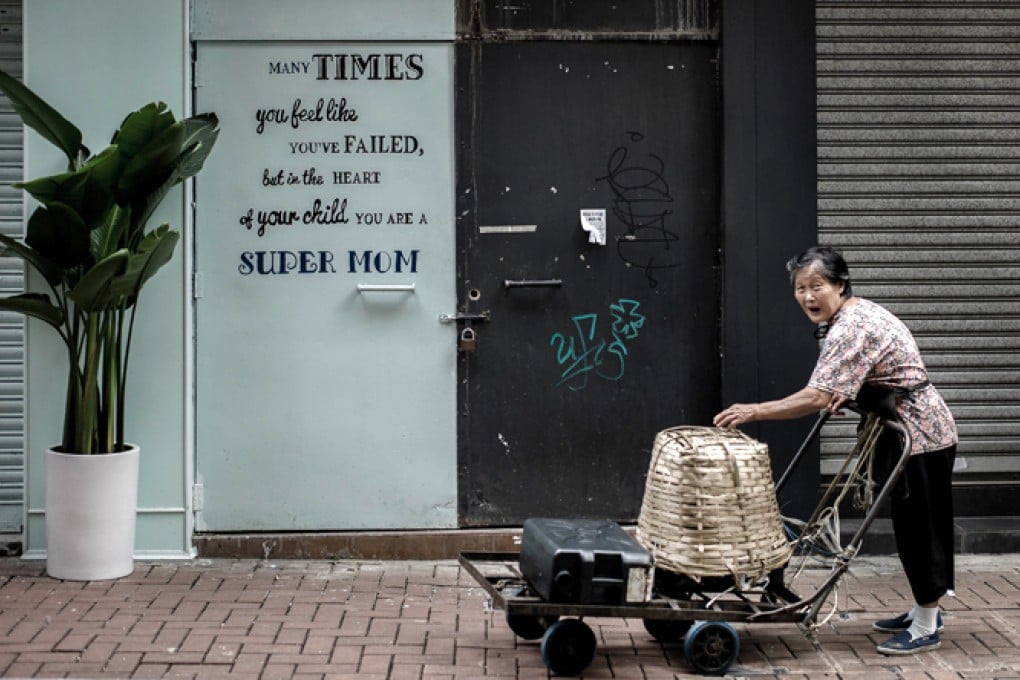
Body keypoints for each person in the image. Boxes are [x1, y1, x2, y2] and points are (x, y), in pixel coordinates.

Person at [713, 245, 958, 656]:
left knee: (921, 530)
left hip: (921, 436)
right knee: (909, 528)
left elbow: (817, 394)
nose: (808, 297)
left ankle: (926, 624)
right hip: (899, 431)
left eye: (817, 286)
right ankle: (921, 609)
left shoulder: (851, 326)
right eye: (800, 288)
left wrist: (754, 411)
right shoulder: (848, 317)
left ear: (840, 285)